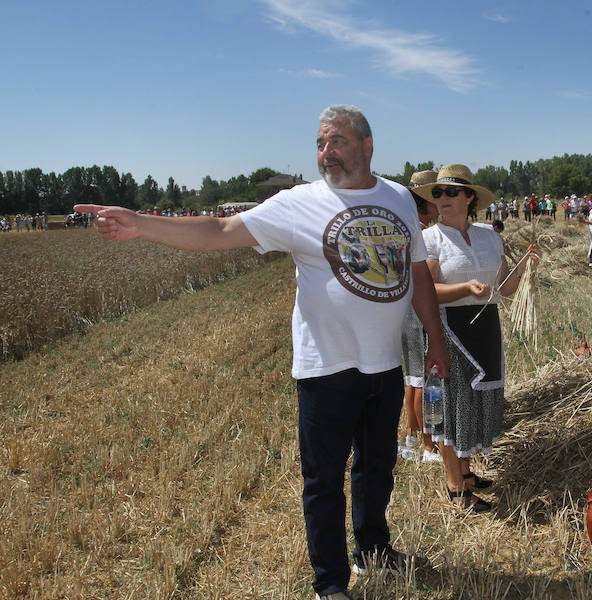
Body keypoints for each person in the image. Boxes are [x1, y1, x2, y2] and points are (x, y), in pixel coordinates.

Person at [76, 104, 450, 600]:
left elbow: (418, 272)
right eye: (319, 143)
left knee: (377, 467)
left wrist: (436, 339)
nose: (326, 152)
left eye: (336, 141)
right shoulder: (299, 203)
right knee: (323, 481)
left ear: (367, 145)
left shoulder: (400, 199)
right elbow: (220, 230)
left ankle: (372, 549)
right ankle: (331, 583)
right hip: (325, 369)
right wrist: (142, 224)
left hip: (384, 365)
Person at [415, 164, 540, 512]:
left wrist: (526, 265)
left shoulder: (488, 235)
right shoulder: (429, 239)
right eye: (437, 193)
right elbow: (427, 291)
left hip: (485, 327)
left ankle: (467, 474)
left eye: (451, 192)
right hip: (448, 330)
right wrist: (463, 288)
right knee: (454, 408)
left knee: (476, 404)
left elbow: (505, 288)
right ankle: (456, 489)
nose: (442, 199)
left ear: (469, 197)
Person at [400, 170, 443, 464]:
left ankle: (411, 437)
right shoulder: (421, 233)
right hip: (418, 311)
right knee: (424, 380)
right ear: (426, 202)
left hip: (406, 311)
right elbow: (426, 280)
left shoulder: (405, 225)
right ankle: (429, 447)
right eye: (437, 198)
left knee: (413, 378)